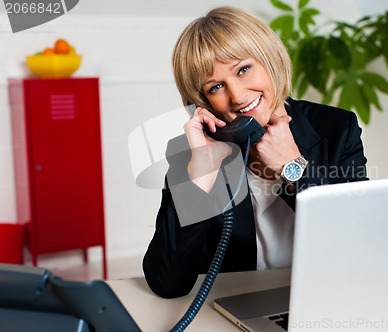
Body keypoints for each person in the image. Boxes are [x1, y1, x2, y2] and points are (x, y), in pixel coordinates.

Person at [143, 6, 368, 299]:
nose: (236, 95)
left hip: (322, 297)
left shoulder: (337, 129)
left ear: (270, 61)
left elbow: (358, 243)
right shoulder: (191, 151)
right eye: (216, 87)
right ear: (203, 101)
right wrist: (200, 174)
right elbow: (167, 284)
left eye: (243, 69)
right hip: (239, 303)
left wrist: (293, 166)